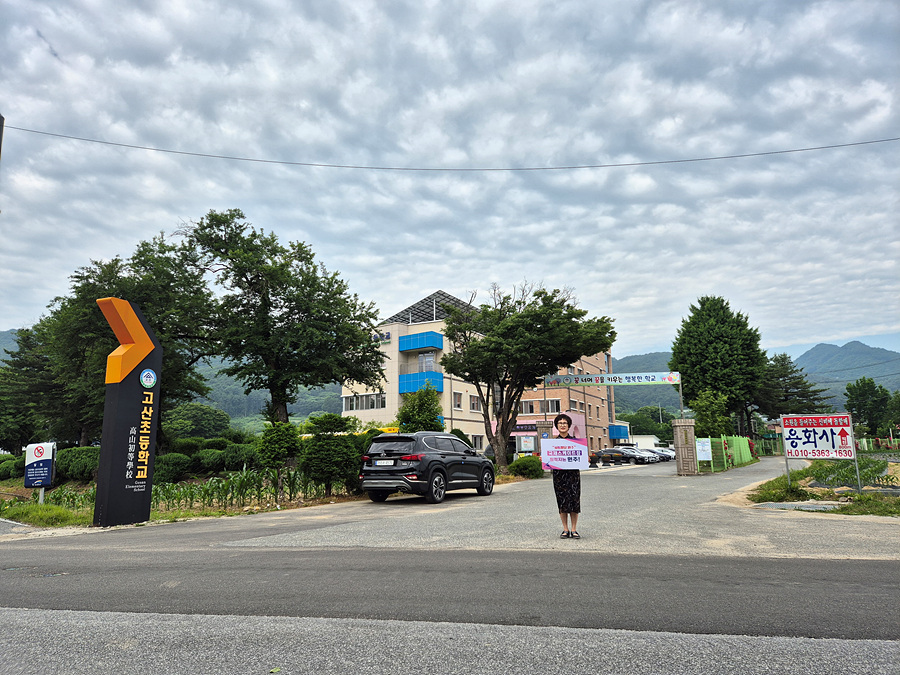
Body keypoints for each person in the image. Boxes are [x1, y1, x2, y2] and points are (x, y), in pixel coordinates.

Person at [551, 413, 581, 539]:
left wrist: (586, 459)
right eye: (560, 423)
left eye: (565, 423)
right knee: (562, 502)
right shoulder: (552, 444)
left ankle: (574, 529)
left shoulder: (576, 442)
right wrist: (544, 459)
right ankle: (565, 529)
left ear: (569, 426)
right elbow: (549, 460)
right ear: (557, 426)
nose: (562, 425)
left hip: (573, 475)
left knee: (574, 501)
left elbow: (582, 456)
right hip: (559, 476)